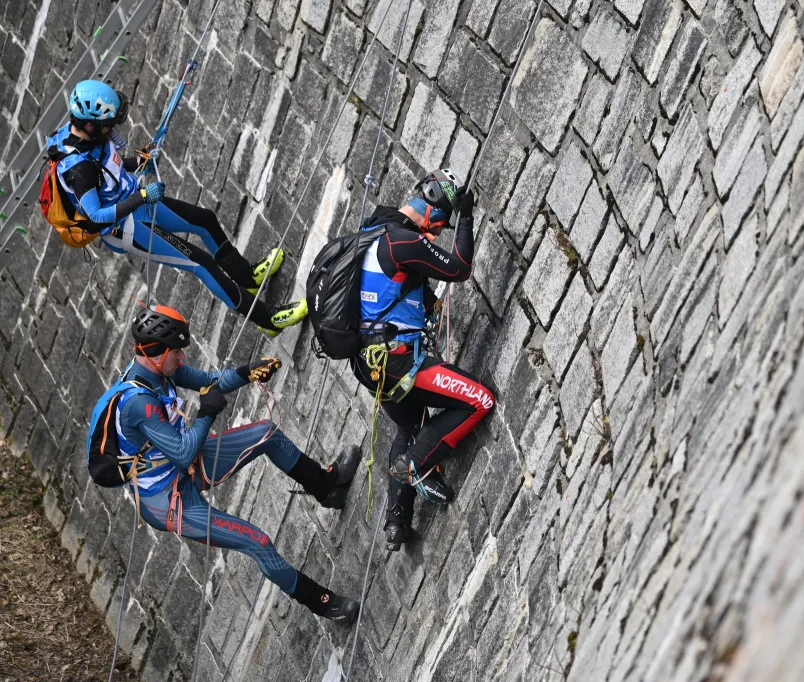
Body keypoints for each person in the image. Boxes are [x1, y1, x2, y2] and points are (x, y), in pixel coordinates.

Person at [105, 304, 360, 620]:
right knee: (257, 542)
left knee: (266, 433)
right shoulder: (137, 403)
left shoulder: (162, 370)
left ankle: (327, 487)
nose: (183, 358)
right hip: (169, 499)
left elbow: (210, 382)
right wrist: (207, 413)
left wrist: (246, 372)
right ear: (154, 352)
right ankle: (321, 602)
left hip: (186, 465)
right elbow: (183, 452)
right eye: (177, 353)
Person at [45, 80, 306, 336]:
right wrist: (143, 196)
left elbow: (107, 167)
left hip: (138, 201)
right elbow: (97, 216)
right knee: (201, 263)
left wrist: (138, 161)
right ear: (90, 125)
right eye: (108, 125)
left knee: (204, 220)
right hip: (127, 228)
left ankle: (248, 278)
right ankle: (268, 320)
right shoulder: (77, 169)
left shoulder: (86, 136)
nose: (112, 128)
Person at [349, 169, 495, 551]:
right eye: (439, 227)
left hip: (369, 363)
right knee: (480, 400)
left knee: (410, 424)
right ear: (431, 213)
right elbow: (459, 269)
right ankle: (415, 466)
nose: (435, 236)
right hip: (397, 360)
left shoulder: (374, 230)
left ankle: (397, 520)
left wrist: (426, 305)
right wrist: (466, 216)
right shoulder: (404, 241)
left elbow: (397, 286)